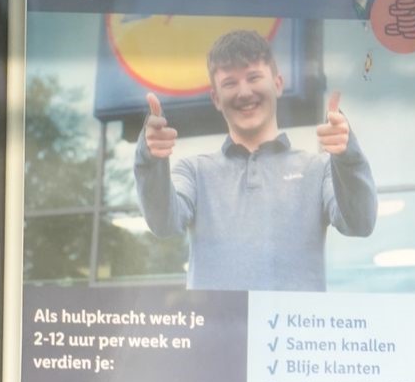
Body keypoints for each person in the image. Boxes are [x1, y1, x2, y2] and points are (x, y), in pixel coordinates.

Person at [135, 29, 377, 292]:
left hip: (293, 331)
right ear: (216, 98)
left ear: (278, 83)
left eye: (254, 77)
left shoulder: (319, 170)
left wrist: (347, 156)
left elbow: (359, 223)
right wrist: (150, 159)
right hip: (215, 331)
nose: (244, 92)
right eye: (230, 83)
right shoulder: (194, 171)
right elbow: (163, 223)